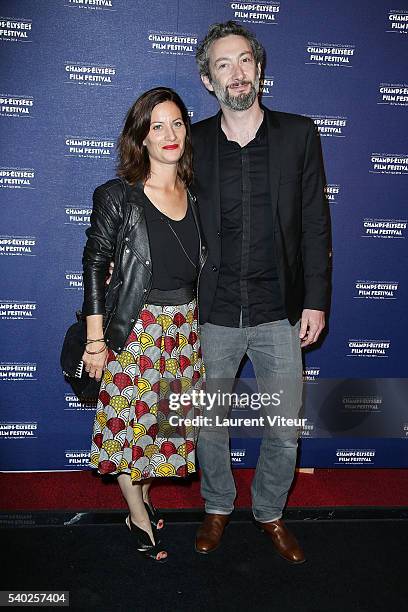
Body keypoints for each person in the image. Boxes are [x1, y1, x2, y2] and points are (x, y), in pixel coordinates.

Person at [192, 21, 331, 563]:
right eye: (223, 65)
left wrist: (316, 299)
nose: (237, 73)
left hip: (280, 309)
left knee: (284, 426)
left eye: (245, 60)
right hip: (214, 310)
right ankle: (218, 506)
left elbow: (317, 222)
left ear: (260, 68)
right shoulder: (194, 142)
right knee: (208, 425)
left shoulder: (299, 134)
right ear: (209, 80)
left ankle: (270, 511)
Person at [81, 87, 207, 562]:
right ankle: (136, 511)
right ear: (142, 138)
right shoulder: (118, 196)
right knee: (131, 434)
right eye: (157, 126)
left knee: (171, 431)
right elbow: (95, 263)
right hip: (137, 333)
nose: (169, 134)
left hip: (185, 331)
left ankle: (144, 494)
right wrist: (96, 341)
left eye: (177, 124)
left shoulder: (196, 195)